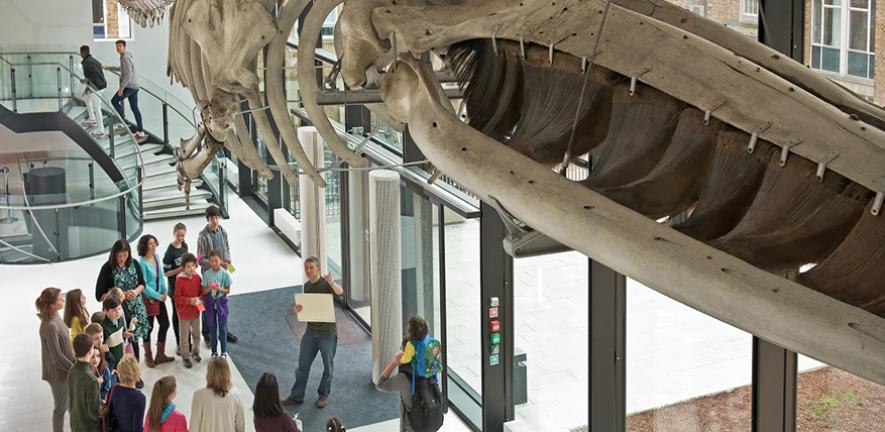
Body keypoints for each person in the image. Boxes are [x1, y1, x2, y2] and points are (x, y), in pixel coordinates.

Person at [282, 257, 345, 409]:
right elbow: (307, 308)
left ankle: (323, 395)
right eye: (306, 268)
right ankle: (297, 395)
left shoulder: (326, 283)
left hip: (327, 334)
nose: (308, 271)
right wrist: (297, 310)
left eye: (311, 268)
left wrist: (331, 282)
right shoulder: (307, 286)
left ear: (318, 268)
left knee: (328, 368)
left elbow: (341, 293)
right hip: (311, 332)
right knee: (302, 366)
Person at [96, 239, 150, 369]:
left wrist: (135, 292)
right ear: (114, 254)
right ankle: (120, 370)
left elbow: (142, 284)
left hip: (135, 307)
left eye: (125, 255)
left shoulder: (134, 263)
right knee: (121, 344)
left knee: (135, 340)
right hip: (118, 310)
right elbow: (99, 295)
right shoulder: (107, 268)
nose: (122, 259)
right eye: (119, 256)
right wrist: (119, 295)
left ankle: (134, 369)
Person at [197, 205, 239, 345]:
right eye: (212, 218)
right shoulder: (202, 237)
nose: (215, 221)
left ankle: (224, 331)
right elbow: (200, 260)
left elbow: (226, 250)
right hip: (209, 277)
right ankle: (207, 334)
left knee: (222, 306)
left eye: (216, 217)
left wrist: (228, 263)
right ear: (207, 219)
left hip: (221, 276)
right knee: (208, 305)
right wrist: (217, 264)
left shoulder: (223, 232)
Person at [37, 287, 75, 432]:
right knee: (61, 407)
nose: (63, 300)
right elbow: (57, 357)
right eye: (60, 299)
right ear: (52, 305)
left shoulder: (56, 316)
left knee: (71, 404)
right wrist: (74, 368)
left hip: (66, 369)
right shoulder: (49, 326)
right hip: (58, 374)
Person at [138, 234, 174, 367]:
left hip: (160, 297)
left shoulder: (156, 257)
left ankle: (160, 354)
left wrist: (164, 291)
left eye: (155, 243)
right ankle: (148, 357)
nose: (154, 246)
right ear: (145, 246)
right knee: (148, 328)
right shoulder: (142, 262)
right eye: (151, 244)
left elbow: (161, 276)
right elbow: (144, 285)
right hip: (150, 299)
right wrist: (157, 297)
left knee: (165, 323)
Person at [191, 357, 245, 432]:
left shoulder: (199, 396)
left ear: (209, 373)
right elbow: (240, 427)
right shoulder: (236, 395)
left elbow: (194, 428)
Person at [104, 39, 145, 140]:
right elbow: (123, 69)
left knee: (114, 100)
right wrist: (111, 68)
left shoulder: (125, 58)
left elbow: (128, 75)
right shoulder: (126, 56)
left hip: (129, 87)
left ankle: (123, 122)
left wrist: (121, 88)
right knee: (135, 108)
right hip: (134, 86)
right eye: (117, 46)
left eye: (120, 46)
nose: (118, 48)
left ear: (124, 47)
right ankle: (140, 131)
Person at [162, 223, 188, 354]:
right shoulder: (169, 252)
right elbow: (165, 273)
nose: (180, 238)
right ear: (174, 233)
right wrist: (178, 270)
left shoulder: (185, 246)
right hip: (174, 288)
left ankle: (187, 342)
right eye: (178, 235)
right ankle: (179, 343)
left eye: (183, 235)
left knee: (186, 315)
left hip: (185, 286)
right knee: (177, 316)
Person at [173, 252, 202, 368]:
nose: (191, 268)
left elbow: (201, 293)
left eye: (193, 266)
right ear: (183, 268)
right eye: (188, 266)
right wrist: (189, 301)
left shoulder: (197, 278)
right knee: (185, 336)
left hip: (195, 312)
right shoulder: (179, 281)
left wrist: (200, 301)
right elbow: (177, 298)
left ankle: (196, 351)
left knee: (197, 334)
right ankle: (185, 356)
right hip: (184, 313)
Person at [202, 250, 232, 358]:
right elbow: (203, 291)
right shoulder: (207, 274)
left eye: (216, 260)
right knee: (213, 329)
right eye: (211, 261)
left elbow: (228, 290)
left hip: (221, 304)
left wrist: (219, 288)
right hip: (210, 304)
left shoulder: (225, 274)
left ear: (221, 260)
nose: (214, 263)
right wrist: (210, 287)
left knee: (223, 329)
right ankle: (214, 351)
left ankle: (224, 351)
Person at [68, 334, 101, 432]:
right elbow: (94, 413)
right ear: (90, 351)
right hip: (88, 427)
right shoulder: (92, 380)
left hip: (75, 422)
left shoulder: (72, 369)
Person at [107, 354, 146, 432]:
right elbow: (137, 429)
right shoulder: (140, 398)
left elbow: (110, 413)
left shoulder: (114, 388)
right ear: (136, 372)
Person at [78, 44, 107, 139]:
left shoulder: (86, 63)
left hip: (96, 88)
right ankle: (92, 118)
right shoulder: (95, 61)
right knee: (86, 97)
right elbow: (95, 75)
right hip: (101, 85)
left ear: (82, 52)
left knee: (97, 108)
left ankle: (101, 131)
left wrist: (85, 82)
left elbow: (91, 77)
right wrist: (87, 88)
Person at [101, 297, 132, 372]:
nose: (118, 312)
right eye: (114, 310)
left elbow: (120, 335)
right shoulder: (104, 327)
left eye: (119, 308)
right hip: (112, 363)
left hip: (122, 357)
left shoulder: (120, 319)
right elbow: (102, 348)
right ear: (106, 311)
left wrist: (124, 335)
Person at [84, 324, 116, 396]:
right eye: (96, 339)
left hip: (104, 379)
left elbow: (112, 362)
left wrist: (107, 353)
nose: (100, 341)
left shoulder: (103, 348)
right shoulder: (87, 352)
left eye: (101, 337)